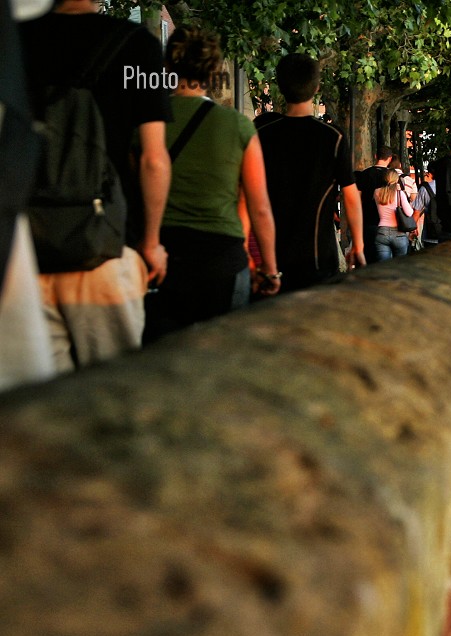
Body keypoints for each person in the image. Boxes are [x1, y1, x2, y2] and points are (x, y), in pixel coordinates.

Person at [21, 0, 171, 369]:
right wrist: (150, 243)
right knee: (113, 396)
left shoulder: (14, 40)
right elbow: (154, 159)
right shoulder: (138, 45)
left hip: (26, 252)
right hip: (104, 246)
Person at [144, 27, 278, 343]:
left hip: (162, 256)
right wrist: (270, 269)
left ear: (168, 66)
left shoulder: (147, 122)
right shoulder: (238, 125)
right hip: (222, 261)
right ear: (214, 70)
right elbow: (259, 206)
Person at [254, 52, 365, 293]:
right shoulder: (332, 137)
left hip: (272, 256)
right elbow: (351, 196)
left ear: (280, 87)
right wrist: (358, 244)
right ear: (316, 88)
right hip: (318, 257)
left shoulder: (262, 135)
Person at [371, 169, 414, 261]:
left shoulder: (376, 192)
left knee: (383, 267)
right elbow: (409, 213)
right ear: (396, 180)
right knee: (400, 267)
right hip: (399, 233)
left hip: (382, 232)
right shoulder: (399, 194)